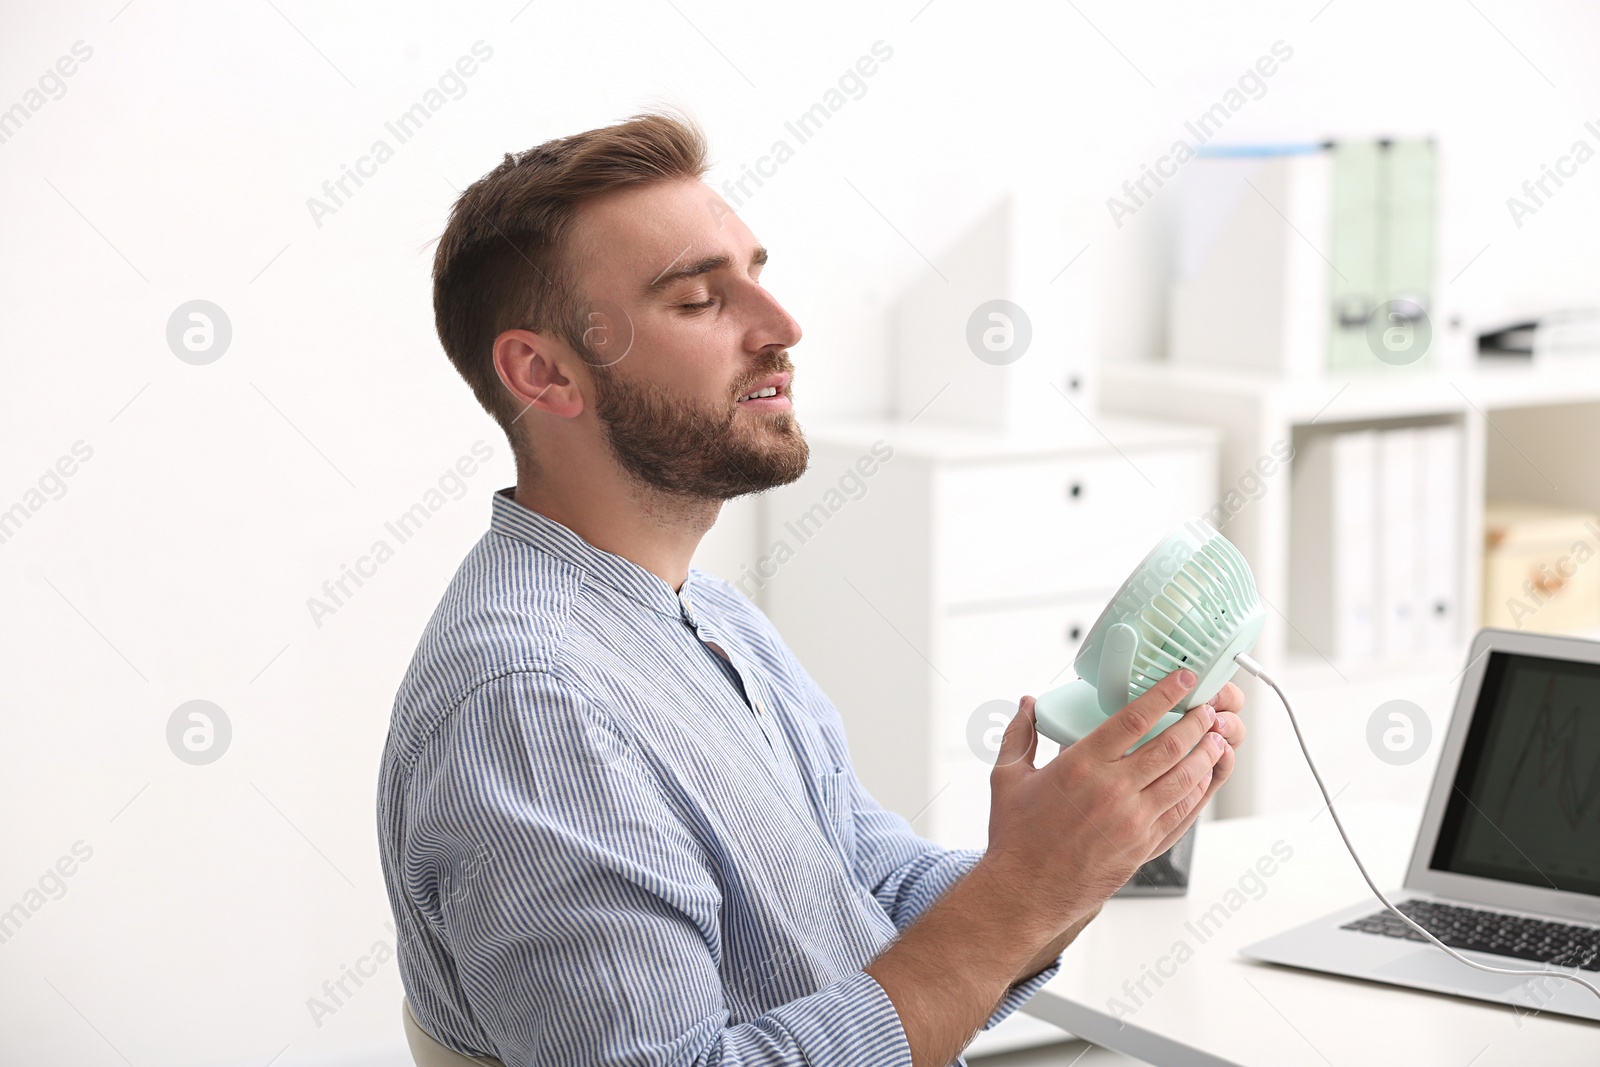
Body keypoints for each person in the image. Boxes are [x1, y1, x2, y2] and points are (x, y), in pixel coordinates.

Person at [375, 110, 1246, 1067]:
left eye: (754, 273)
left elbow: (878, 895)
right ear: (543, 372)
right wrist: (1023, 894)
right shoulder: (533, 710)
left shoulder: (712, 621)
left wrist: (1082, 848)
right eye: (700, 300)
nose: (782, 328)